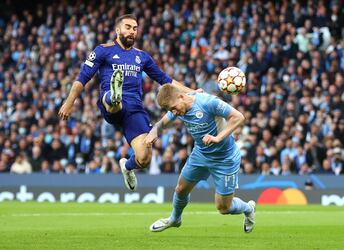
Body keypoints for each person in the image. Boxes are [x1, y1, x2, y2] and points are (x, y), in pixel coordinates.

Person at [58, 14, 191, 191]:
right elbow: (82, 78)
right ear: (118, 30)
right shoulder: (102, 50)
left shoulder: (142, 57)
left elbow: (165, 80)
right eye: (128, 27)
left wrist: (191, 92)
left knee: (144, 158)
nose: (132, 31)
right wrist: (69, 102)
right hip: (110, 104)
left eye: (135, 28)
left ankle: (127, 167)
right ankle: (115, 95)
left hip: (134, 110)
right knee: (113, 100)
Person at [144, 84, 256, 233]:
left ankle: (248, 209)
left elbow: (238, 117)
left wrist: (218, 138)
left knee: (223, 208)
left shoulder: (208, 102)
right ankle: (175, 219)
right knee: (181, 189)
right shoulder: (178, 109)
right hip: (201, 154)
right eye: (171, 110)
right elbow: (162, 123)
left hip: (225, 158)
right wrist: (154, 131)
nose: (174, 112)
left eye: (174, 108)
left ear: (182, 96)